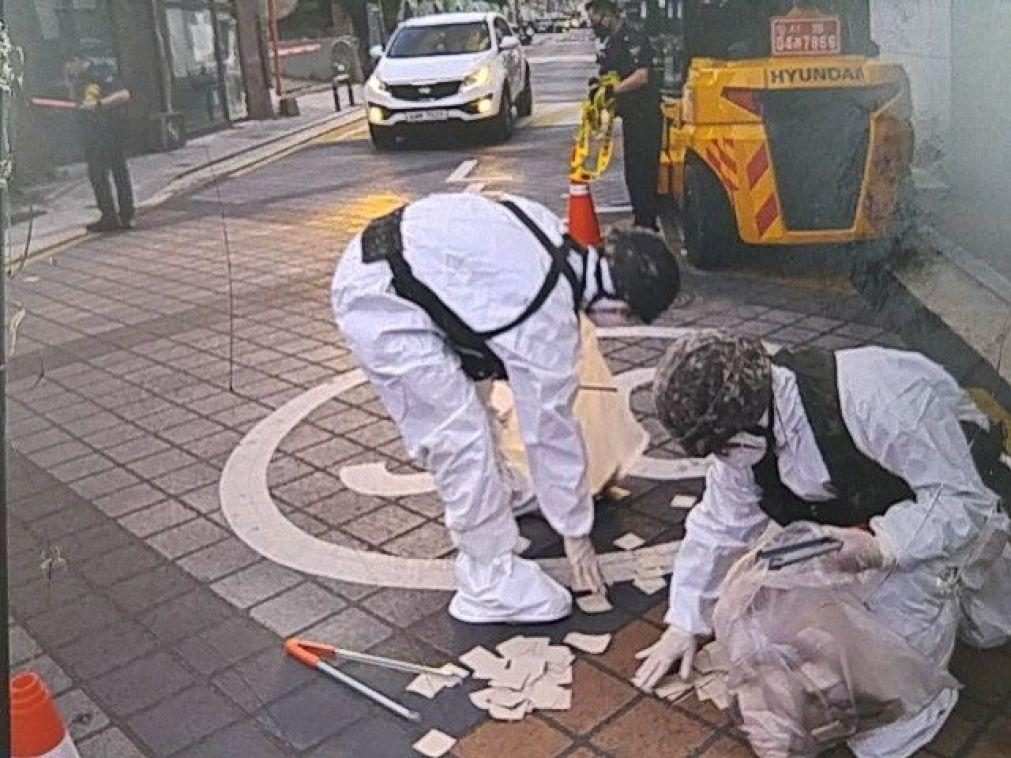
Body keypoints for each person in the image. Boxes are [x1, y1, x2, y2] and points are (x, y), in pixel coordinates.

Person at [636, 331, 1011, 756]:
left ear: (748, 420)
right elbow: (719, 524)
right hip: (861, 522)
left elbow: (963, 499)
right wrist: (685, 621)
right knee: (782, 605)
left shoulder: (875, 396)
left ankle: (945, 654)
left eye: (722, 447)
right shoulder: (747, 434)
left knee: (892, 708)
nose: (724, 459)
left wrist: (881, 545)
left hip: (951, 511)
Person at [331, 193, 679, 623]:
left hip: (397, 266)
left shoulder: (548, 232)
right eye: (628, 319)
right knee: (458, 437)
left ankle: (502, 491)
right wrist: (575, 533)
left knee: (474, 399)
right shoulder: (547, 320)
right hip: (382, 302)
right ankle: (487, 579)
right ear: (619, 306)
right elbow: (549, 433)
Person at [585, 0, 663, 231]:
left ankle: (647, 224)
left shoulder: (633, 39)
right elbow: (611, 74)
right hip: (631, 117)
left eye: (595, 18)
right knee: (633, 173)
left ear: (608, 14)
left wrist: (613, 90)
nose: (594, 24)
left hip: (645, 115)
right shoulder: (612, 43)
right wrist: (598, 87)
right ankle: (641, 219)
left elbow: (641, 76)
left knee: (644, 172)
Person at [65, 56, 135, 233]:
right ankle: (109, 216)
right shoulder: (78, 80)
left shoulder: (99, 73)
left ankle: (126, 215)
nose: (67, 71)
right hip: (92, 136)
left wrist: (99, 104)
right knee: (97, 176)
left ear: (77, 61)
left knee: (118, 171)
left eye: (68, 67)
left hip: (109, 130)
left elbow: (124, 95)